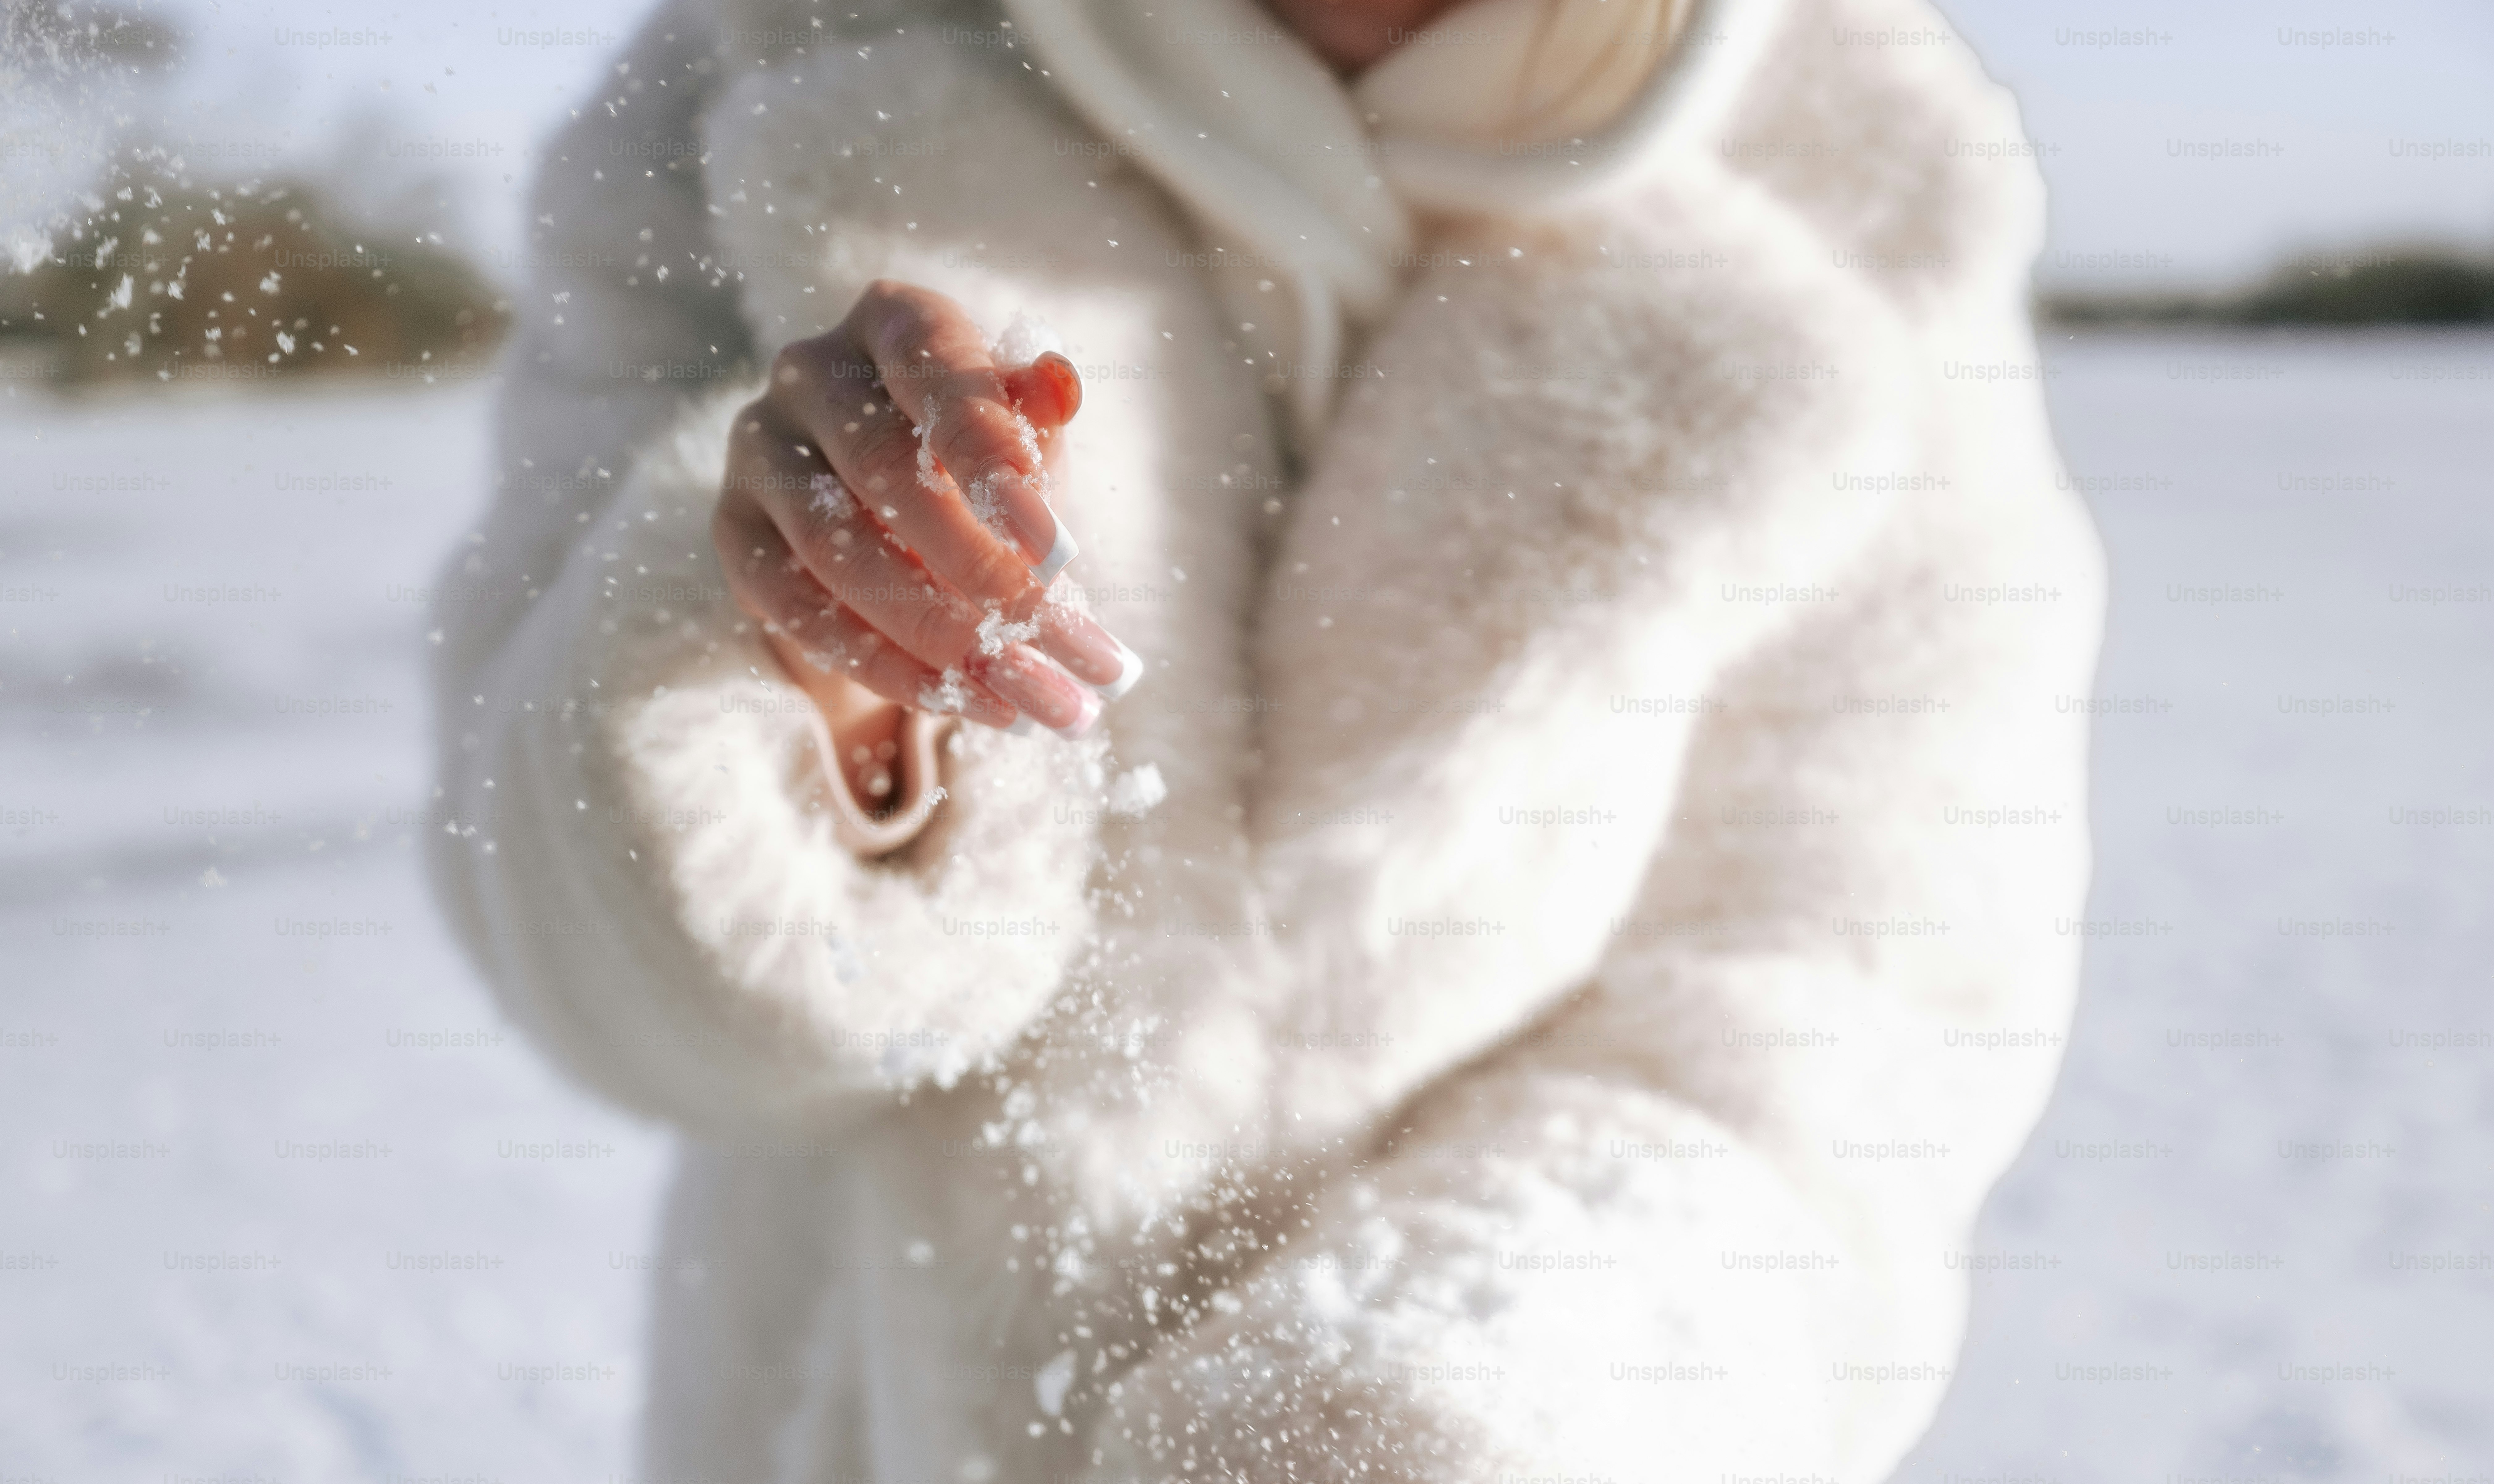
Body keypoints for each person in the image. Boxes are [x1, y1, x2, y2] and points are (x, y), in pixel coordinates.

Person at [425, 0, 2104, 1476]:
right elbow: (577, 973)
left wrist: (1417, 1417)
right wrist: (810, 685)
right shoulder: (772, 54)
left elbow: (1848, 1026)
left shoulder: (1869, 179)